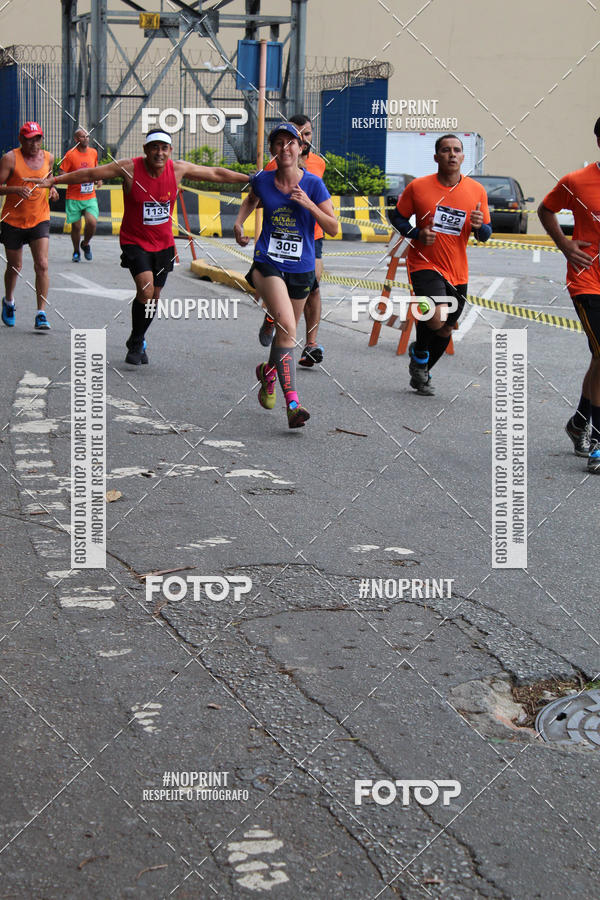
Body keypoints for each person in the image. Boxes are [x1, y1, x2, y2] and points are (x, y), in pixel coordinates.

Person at [34, 129, 250, 364]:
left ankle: (137, 337)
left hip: (164, 243)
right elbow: (89, 173)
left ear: (170, 150)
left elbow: (215, 173)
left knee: (154, 297)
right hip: (134, 241)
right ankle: (137, 342)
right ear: (145, 150)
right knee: (146, 289)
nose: (159, 152)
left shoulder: (178, 169)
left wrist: (250, 179)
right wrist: (53, 181)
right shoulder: (129, 168)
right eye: (154, 147)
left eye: (164, 148)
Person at [234, 122, 338, 428]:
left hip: (301, 267)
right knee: (290, 329)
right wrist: (240, 224)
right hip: (268, 262)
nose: (285, 148)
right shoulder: (264, 180)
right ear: (273, 151)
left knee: (284, 335)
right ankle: (293, 403)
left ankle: (268, 373)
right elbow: (252, 199)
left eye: (290, 142)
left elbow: (332, 228)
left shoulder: (315, 185)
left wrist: (308, 204)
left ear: (300, 147)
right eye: (278, 143)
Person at [390, 134, 492, 395]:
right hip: (424, 263)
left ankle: (421, 368)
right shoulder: (419, 187)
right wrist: (416, 233)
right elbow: (398, 217)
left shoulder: (476, 191)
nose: (452, 154)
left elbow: (484, 234)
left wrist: (482, 227)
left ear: (463, 156)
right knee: (437, 315)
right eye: (446, 150)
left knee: (447, 326)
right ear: (436, 157)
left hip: (458, 269)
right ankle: (421, 355)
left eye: (457, 150)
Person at [538, 116, 600, 473]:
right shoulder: (577, 181)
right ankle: (598, 442)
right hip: (587, 281)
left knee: (599, 357)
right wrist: (564, 244)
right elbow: (546, 209)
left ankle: (579, 422)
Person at [259, 114, 327, 368]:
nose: (301, 140)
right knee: (280, 291)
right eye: (296, 135)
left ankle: (311, 344)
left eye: (306, 134)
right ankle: (273, 317)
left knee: (313, 286)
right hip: (279, 238)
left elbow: (323, 200)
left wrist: (312, 207)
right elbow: (259, 198)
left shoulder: (318, 165)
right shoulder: (271, 167)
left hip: (312, 236)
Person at [0, 121, 59, 330]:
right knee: (15, 266)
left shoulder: (48, 157)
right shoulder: (10, 159)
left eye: (37, 139)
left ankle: (41, 312)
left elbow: (49, 177)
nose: (34, 144)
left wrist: (52, 189)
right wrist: (15, 189)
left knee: (42, 264)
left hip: (40, 218)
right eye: (28, 139)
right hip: (13, 220)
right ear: (20, 140)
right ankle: (8, 301)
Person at [60, 128, 102, 262]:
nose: (86, 139)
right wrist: (74, 178)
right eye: (82, 137)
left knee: (92, 222)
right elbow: (61, 173)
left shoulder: (93, 152)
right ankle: (76, 251)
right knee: (76, 227)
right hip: (73, 197)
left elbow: (95, 169)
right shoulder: (70, 155)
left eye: (87, 136)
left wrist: (98, 178)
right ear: (76, 139)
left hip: (90, 196)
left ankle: (85, 244)